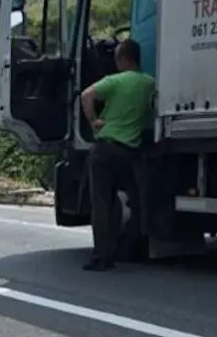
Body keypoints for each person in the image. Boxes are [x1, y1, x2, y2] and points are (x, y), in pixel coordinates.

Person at [79, 38, 155, 271]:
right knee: (136, 200)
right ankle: (135, 248)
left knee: (102, 203)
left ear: (123, 59)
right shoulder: (149, 83)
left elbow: (86, 95)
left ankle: (102, 258)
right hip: (129, 151)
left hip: (104, 148)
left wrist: (93, 121)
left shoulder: (115, 80)